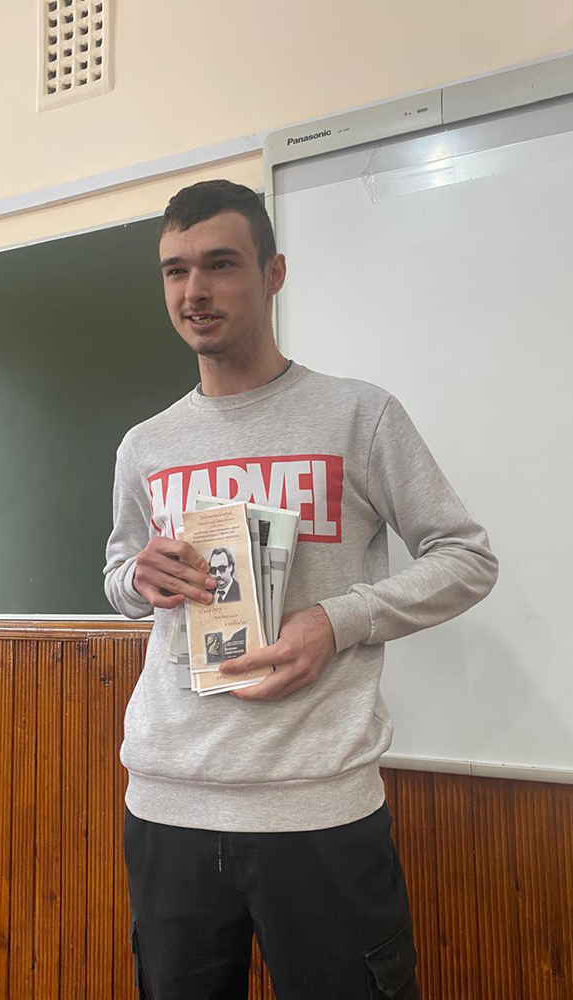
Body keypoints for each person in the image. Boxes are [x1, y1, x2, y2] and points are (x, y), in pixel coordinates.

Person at [103, 179, 498, 1000]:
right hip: (168, 803)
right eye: (175, 270)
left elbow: (464, 557)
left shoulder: (359, 415)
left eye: (220, 264)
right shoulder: (146, 443)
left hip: (316, 807)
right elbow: (119, 578)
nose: (194, 291)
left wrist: (338, 619)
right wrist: (138, 576)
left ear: (273, 273)